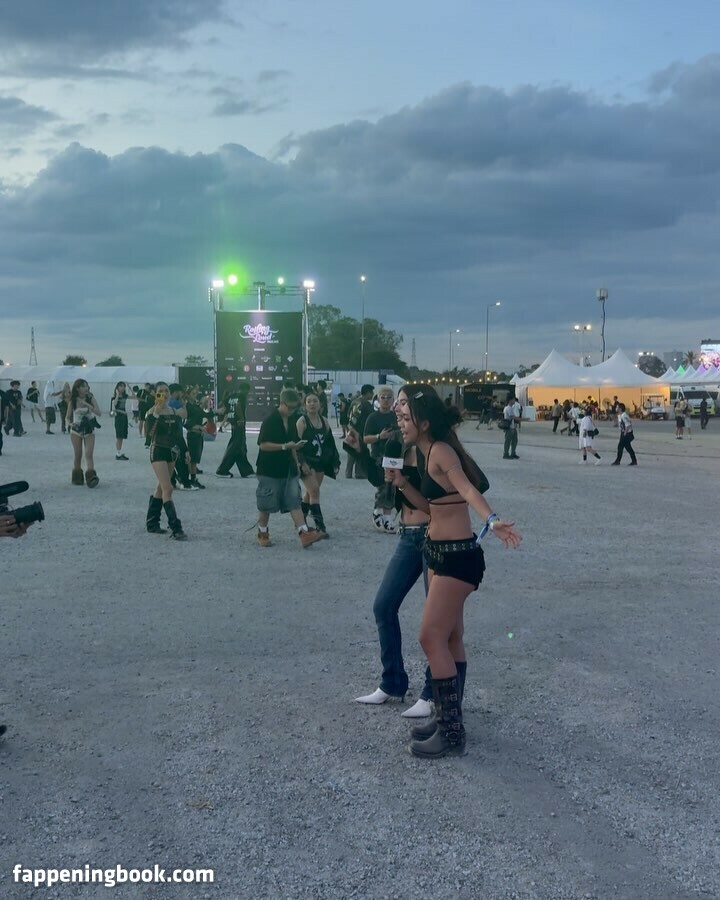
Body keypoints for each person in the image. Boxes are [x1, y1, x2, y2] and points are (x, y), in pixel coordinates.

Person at [385, 389, 521, 758]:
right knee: (450, 637)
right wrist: (402, 484)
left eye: (406, 417)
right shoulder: (426, 452)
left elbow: (466, 488)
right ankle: (448, 717)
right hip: (440, 552)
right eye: (399, 416)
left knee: (430, 636)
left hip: (456, 558)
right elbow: (432, 507)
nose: (400, 421)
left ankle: (451, 732)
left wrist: (491, 520)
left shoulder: (442, 450)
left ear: (424, 422)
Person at [255, 388, 325, 549]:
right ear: (282, 403)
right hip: (269, 469)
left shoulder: (293, 419)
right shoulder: (270, 420)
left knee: (294, 501)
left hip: (288, 468)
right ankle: (262, 531)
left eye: (295, 408)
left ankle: (303, 533)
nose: (293, 411)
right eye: (291, 407)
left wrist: (296, 464)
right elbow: (263, 445)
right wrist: (284, 446)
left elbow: (293, 444)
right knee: (266, 502)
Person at [143, 382, 188, 539]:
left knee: (161, 487)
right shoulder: (151, 412)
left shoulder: (173, 411)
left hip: (171, 452)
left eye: (166, 391)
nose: (164, 393)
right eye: (160, 391)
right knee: (168, 489)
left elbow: (178, 434)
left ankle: (152, 522)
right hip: (157, 451)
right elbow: (148, 436)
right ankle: (176, 527)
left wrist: (186, 450)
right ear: (155, 394)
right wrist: (156, 412)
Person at [296, 391, 340, 536]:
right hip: (307, 462)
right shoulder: (302, 422)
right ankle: (320, 526)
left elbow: (330, 444)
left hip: (320, 462)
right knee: (314, 491)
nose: (312, 404)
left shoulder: (324, 421)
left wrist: (335, 462)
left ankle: (300, 519)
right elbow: (296, 445)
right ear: (305, 405)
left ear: (320, 404)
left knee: (311, 492)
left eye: (315, 401)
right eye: (309, 401)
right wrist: (302, 463)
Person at [363, 387, 398, 532]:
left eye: (389, 397)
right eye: (383, 397)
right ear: (378, 399)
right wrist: (379, 436)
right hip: (378, 456)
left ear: (393, 399)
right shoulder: (373, 417)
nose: (386, 400)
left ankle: (388, 516)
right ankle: (378, 512)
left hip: (395, 455)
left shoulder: (396, 416)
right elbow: (365, 438)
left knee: (393, 487)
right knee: (383, 486)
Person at [66, 379, 102, 487]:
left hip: (89, 428)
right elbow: (67, 417)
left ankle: (91, 476)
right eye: (83, 386)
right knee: (78, 454)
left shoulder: (91, 398)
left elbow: (98, 412)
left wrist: (87, 404)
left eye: (86, 386)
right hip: (76, 429)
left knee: (89, 453)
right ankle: (77, 475)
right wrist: (70, 424)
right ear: (77, 388)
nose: (86, 388)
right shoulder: (73, 400)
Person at [215, 383, 254, 478]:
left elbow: (223, 403)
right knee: (235, 447)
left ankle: (247, 471)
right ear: (246, 390)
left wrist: (228, 413)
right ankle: (222, 470)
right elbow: (238, 406)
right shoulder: (242, 396)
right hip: (239, 424)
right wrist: (241, 418)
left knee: (241, 448)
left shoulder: (231, 396)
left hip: (233, 423)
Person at [344, 385, 374, 479]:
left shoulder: (354, 402)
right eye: (371, 392)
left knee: (351, 450)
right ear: (368, 392)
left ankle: (348, 472)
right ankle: (359, 472)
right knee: (361, 451)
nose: (372, 394)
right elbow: (372, 416)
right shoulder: (366, 404)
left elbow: (348, 414)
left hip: (351, 428)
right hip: (361, 430)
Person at [110, 381, 130, 461]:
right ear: (117, 387)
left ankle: (119, 452)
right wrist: (117, 395)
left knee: (122, 436)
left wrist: (130, 388)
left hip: (124, 417)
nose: (123, 388)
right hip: (118, 417)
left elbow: (134, 397)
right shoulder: (114, 397)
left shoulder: (125, 396)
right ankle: (118, 453)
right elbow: (114, 405)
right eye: (121, 386)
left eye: (124, 386)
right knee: (119, 435)